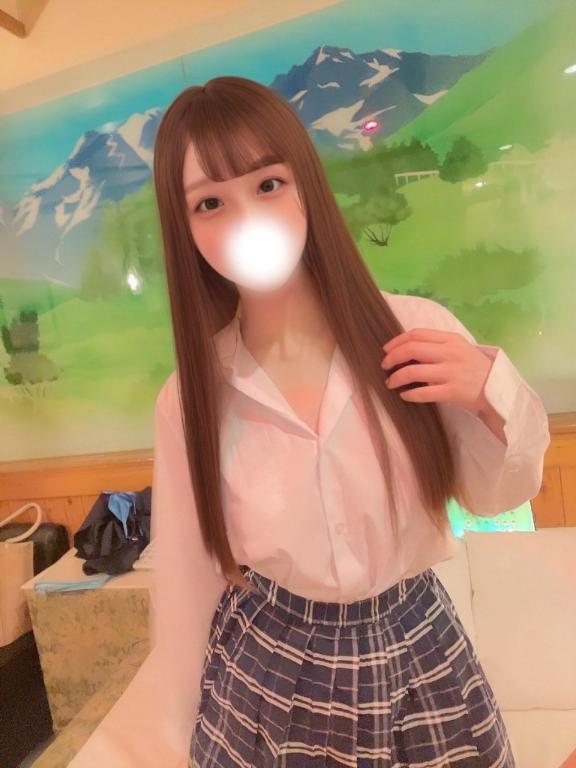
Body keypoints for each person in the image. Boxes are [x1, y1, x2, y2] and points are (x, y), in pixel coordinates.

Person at [70, 76, 551, 768]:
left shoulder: (414, 330)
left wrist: (489, 392)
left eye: (268, 184)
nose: (247, 220)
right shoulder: (191, 398)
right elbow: (185, 585)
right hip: (268, 666)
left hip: (418, 647)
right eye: (209, 202)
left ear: (306, 187)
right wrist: (176, 737)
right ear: (185, 229)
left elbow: (500, 490)